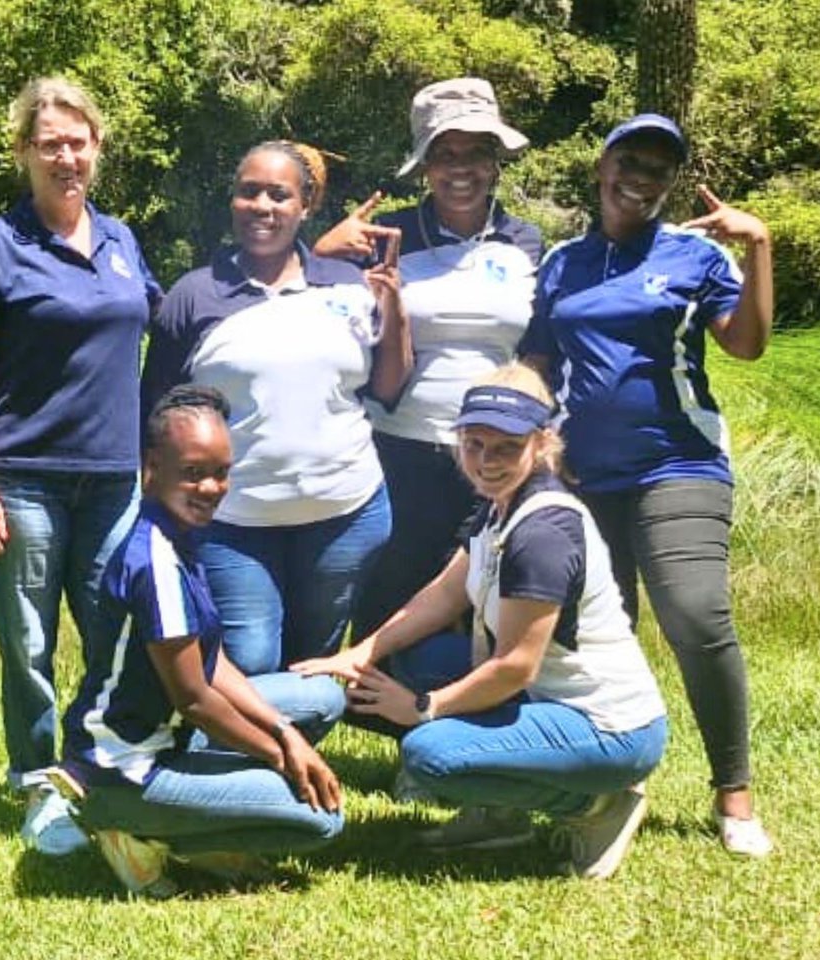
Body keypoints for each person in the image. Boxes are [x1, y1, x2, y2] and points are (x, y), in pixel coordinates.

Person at [294, 364, 667, 880]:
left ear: (542, 443)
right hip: (549, 703)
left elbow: (515, 668)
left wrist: (423, 708)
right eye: (474, 444)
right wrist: (360, 653)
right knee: (414, 656)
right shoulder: (499, 506)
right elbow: (444, 595)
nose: (486, 462)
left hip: (609, 729)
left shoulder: (542, 534)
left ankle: (597, 806)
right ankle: (500, 813)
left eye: (506, 448)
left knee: (430, 755)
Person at [518, 113, 775, 857]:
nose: (644, 177)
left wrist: (758, 246)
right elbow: (539, 358)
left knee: (695, 614)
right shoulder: (562, 261)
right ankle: (601, 781)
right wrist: (518, 432)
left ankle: (734, 794)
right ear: (602, 167)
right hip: (584, 476)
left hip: (678, 463)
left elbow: (748, 343)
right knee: (596, 633)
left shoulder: (695, 256)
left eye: (661, 168)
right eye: (632, 160)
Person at [0, 77, 161, 855]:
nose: (66, 157)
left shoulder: (122, 241)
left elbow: (156, 336)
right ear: (24, 154)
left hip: (112, 480)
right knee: (29, 643)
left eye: (78, 142)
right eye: (49, 145)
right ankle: (37, 784)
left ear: (97, 149)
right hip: (25, 477)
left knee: (115, 632)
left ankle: (91, 768)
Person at [51, 385, 345, 898]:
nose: (211, 487)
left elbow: (214, 663)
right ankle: (142, 831)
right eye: (193, 472)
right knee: (319, 819)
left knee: (322, 699)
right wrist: (281, 756)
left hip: (168, 736)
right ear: (151, 468)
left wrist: (284, 730)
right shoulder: (156, 563)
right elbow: (196, 698)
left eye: (221, 472)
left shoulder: (179, 535)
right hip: (122, 767)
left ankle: (192, 822)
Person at [140, 140, 410, 676]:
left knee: (314, 660)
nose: (263, 205)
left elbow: (387, 388)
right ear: (233, 201)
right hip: (232, 519)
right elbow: (157, 412)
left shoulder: (348, 284)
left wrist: (394, 306)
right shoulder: (194, 297)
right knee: (252, 657)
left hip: (346, 512)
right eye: (249, 192)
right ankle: (250, 754)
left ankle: (296, 758)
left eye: (279, 194)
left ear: (305, 207)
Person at [314, 77, 545, 640]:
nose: (460, 169)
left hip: (494, 453)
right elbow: (305, 306)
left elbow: (538, 355)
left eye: (476, 153)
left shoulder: (527, 243)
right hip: (401, 450)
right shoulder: (386, 234)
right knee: (390, 601)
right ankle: (394, 719)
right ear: (424, 166)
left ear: (496, 162)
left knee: (480, 607)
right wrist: (321, 249)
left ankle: (461, 722)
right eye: (445, 154)